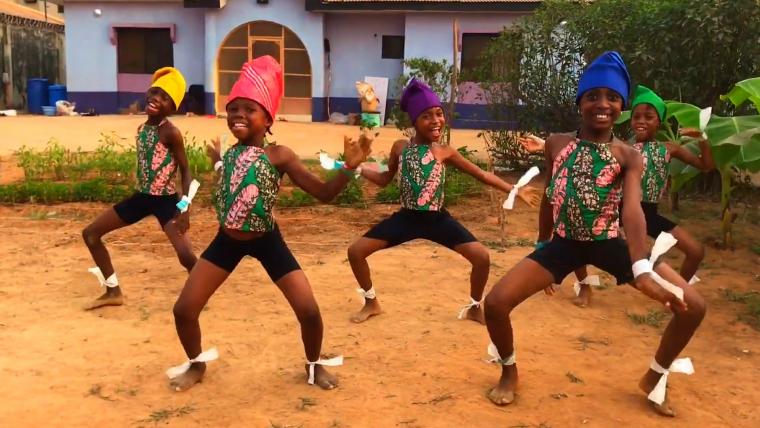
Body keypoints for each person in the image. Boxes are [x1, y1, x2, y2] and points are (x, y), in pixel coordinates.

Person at [483, 52, 706, 417]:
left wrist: (640, 267)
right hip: (562, 245)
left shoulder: (628, 155)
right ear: (580, 102)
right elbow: (551, 195)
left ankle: (655, 377)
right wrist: (542, 242)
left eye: (612, 97)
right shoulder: (556, 144)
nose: (602, 104)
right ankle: (509, 371)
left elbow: (632, 211)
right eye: (593, 96)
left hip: (611, 244)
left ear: (621, 106)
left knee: (694, 306)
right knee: (495, 304)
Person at [168, 56, 371, 392]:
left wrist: (347, 169)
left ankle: (313, 366)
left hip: (267, 240)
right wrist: (217, 162)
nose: (238, 116)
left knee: (308, 310)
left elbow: (323, 194)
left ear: (267, 119)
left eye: (249, 109)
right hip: (226, 241)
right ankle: (196, 364)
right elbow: (229, 176)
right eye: (234, 109)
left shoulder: (280, 155)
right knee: (184, 309)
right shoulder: (231, 154)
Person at [347, 79, 540, 325]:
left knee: (481, 257)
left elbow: (481, 174)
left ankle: (474, 306)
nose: (436, 120)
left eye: (439, 114)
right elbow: (385, 178)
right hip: (406, 218)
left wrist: (514, 189)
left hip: (437, 220)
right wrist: (358, 167)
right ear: (414, 121)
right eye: (427, 116)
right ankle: (371, 302)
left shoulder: (444, 151)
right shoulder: (400, 148)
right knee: (355, 252)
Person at [82, 67, 197, 310]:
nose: (156, 98)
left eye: (164, 97)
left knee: (186, 256)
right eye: (155, 92)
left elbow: (186, 171)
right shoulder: (142, 129)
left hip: (166, 202)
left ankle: (200, 291)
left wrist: (184, 208)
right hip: (141, 198)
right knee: (91, 234)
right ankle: (113, 291)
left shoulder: (171, 132)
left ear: (172, 107)